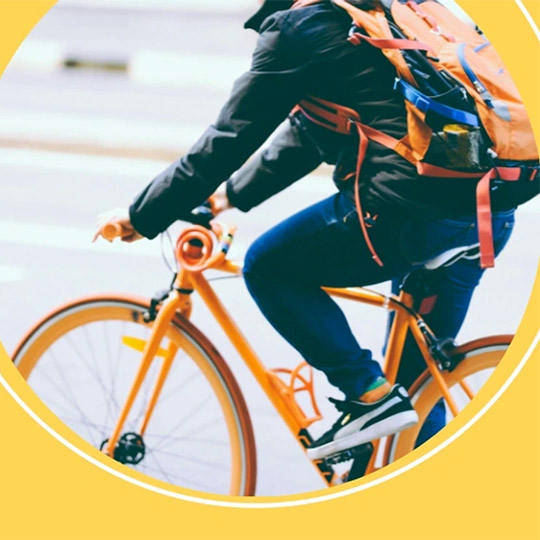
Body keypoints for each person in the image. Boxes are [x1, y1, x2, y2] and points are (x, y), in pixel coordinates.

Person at [95, 0, 530, 460]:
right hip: (487, 212)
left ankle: (365, 393)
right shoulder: (393, 11)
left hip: (406, 218)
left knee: (268, 266)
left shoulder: (297, 28)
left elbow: (226, 141)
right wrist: (227, 198)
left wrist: (142, 215)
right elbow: (311, 131)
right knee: (419, 390)